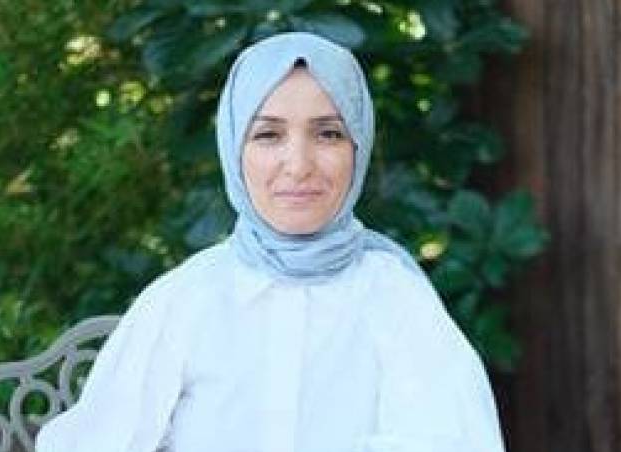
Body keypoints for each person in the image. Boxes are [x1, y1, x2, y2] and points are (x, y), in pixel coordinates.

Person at [35, 31, 506, 452]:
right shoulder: (186, 299)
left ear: (358, 147)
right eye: (268, 134)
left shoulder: (394, 297)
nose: (298, 165)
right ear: (233, 148)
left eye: (328, 133)